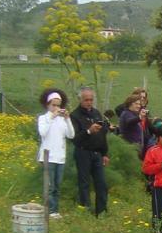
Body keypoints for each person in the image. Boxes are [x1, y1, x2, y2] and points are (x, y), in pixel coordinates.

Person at [69, 88, 109, 215]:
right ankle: (85, 209)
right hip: (83, 152)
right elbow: (74, 138)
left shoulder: (96, 113)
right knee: (84, 183)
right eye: (86, 100)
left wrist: (105, 153)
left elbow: (102, 135)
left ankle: (101, 211)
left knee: (101, 183)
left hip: (97, 153)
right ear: (80, 100)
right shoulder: (74, 116)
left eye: (91, 100)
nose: (89, 102)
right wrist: (88, 131)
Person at [37, 89, 75, 219]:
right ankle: (50, 210)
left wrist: (68, 119)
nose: (56, 108)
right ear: (48, 105)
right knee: (50, 186)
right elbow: (43, 132)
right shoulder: (43, 118)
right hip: (48, 157)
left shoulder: (62, 120)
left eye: (58, 105)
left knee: (57, 186)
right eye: (53, 105)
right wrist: (52, 117)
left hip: (60, 158)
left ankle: (55, 210)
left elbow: (71, 134)